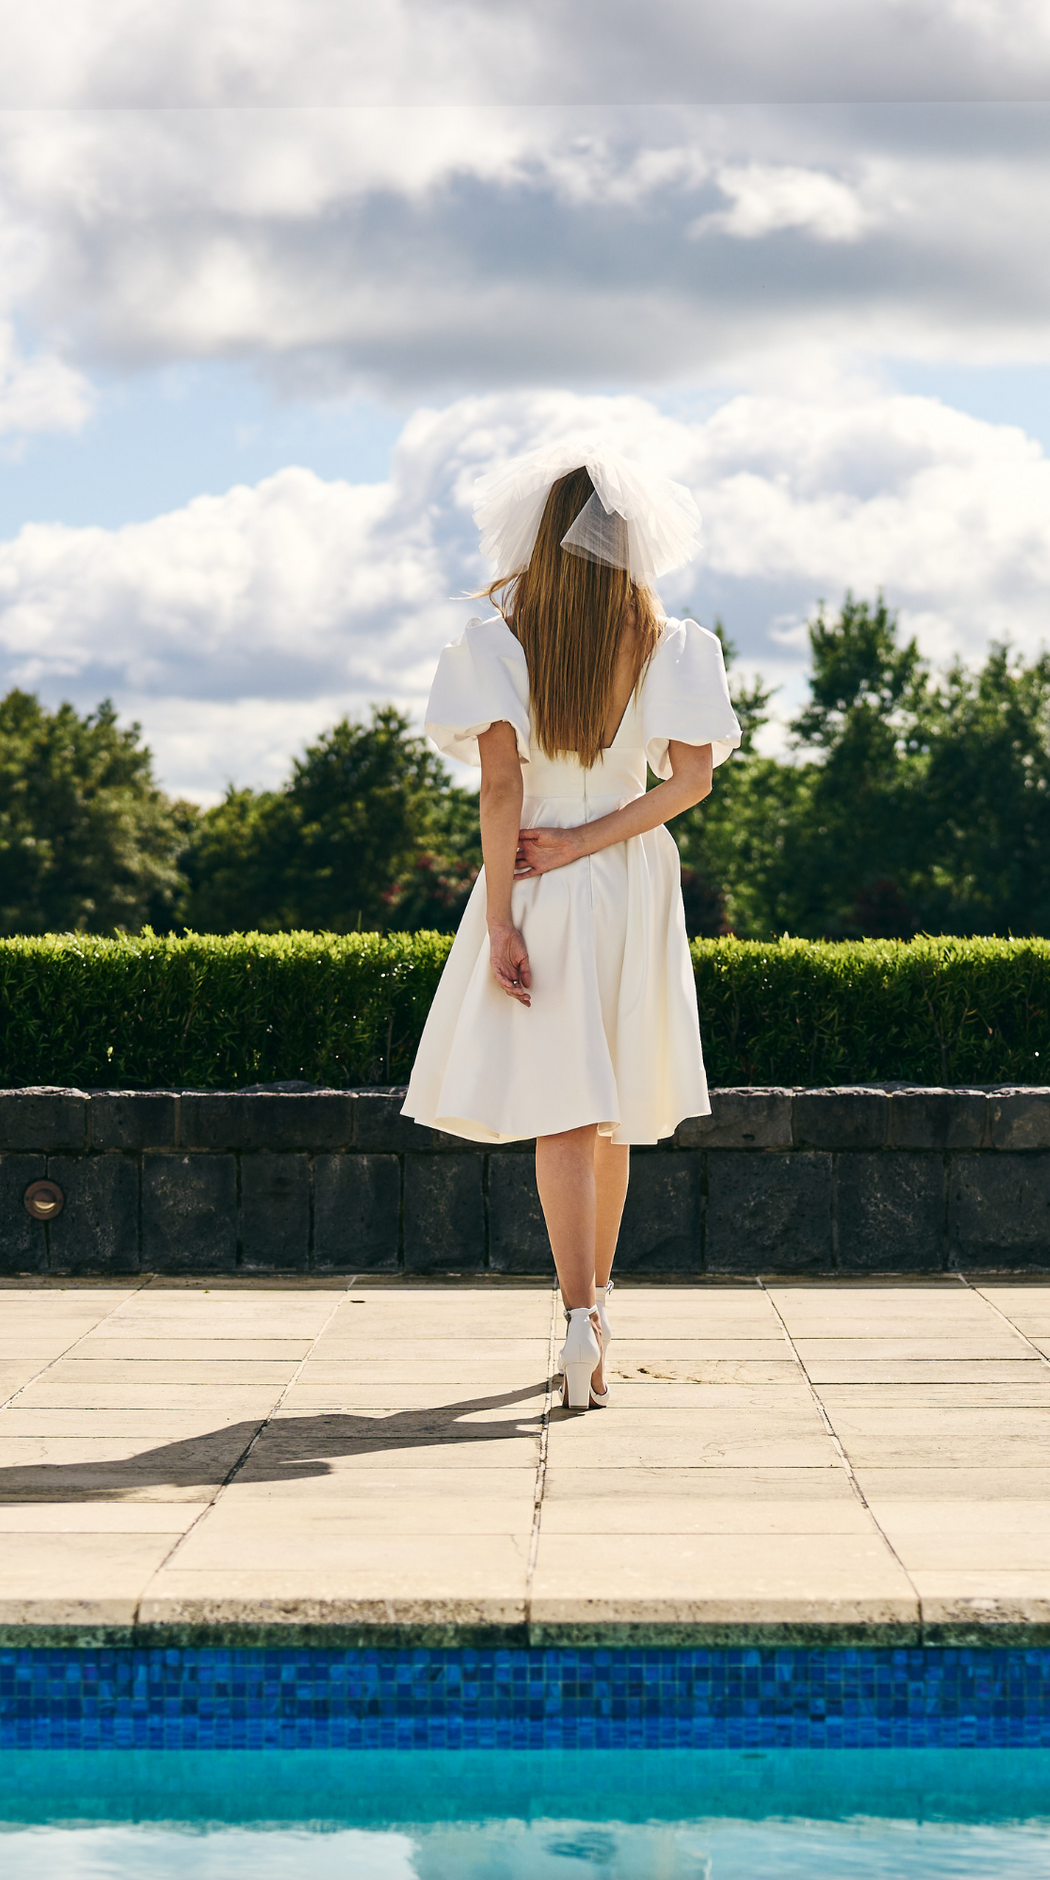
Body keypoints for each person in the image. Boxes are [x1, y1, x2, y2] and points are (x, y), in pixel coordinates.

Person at [404, 445, 740, 1409]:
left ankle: (573, 1319)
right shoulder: (673, 642)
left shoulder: (494, 639)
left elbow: (501, 785)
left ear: (540, 537)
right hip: (625, 874)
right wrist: (589, 838)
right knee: (614, 1102)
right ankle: (600, 1314)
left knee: (563, 1101)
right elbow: (690, 781)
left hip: (534, 872)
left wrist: (501, 917)